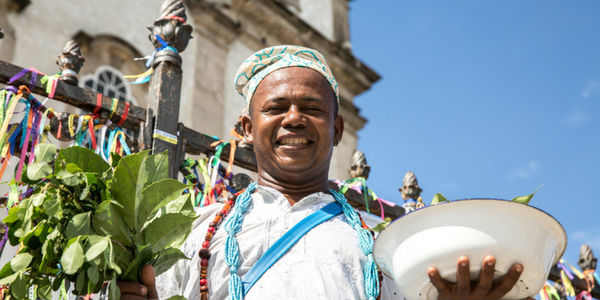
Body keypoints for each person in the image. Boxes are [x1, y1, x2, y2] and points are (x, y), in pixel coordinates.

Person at [118, 45, 525, 300]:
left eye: (312, 109)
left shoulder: (382, 254)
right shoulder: (195, 236)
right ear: (245, 129)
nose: (293, 119)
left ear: (336, 129)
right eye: (276, 108)